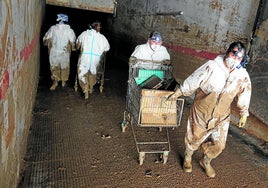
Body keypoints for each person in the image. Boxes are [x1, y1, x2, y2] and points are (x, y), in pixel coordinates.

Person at [167, 41, 252, 178]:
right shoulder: (212, 66)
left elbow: (245, 93)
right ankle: (188, 157)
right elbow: (195, 78)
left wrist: (244, 113)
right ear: (227, 52)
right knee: (194, 137)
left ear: (242, 59)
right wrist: (179, 92)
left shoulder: (242, 75)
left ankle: (205, 161)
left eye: (239, 57)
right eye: (233, 54)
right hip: (202, 111)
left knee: (219, 144)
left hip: (221, 116)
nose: (235, 58)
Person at [76, 21, 110, 99]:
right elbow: (107, 48)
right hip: (95, 59)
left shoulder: (84, 34)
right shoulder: (102, 37)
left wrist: (79, 48)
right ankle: (91, 88)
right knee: (92, 73)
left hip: (85, 57)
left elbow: (78, 43)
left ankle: (85, 89)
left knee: (82, 73)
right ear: (98, 28)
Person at [43, 13, 76, 90]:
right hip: (65, 52)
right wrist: (73, 48)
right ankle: (63, 81)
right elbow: (73, 41)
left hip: (54, 52)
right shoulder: (69, 30)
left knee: (54, 67)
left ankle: (55, 82)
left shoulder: (53, 28)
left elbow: (46, 38)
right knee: (64, 67)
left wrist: (45, 43)